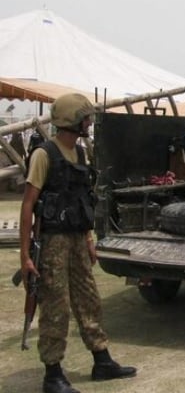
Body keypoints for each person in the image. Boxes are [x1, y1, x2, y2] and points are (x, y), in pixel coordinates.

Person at [20, 93, 136, 393]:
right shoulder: (44, 155)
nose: (89, 122)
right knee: (56, 308)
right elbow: (28, 206)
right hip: (52, 242)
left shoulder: (82, 154)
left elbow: (82, 200)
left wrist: (88, 240)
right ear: (72, 120)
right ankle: (53, 374)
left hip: (76, 239)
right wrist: (25, 256)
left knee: (89, 300)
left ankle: (101, 359)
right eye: (85, 118)